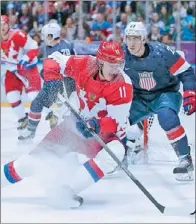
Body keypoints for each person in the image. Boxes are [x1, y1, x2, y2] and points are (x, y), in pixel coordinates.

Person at [1, 41, 133, 208]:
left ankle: (67, 190)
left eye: (119, 64)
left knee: (116, 152)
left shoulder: (123, 85)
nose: (117, 70)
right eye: (112, 65)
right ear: (100, 62)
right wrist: (52, 79)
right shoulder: (84, 63)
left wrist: (96, 125)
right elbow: (53, 59)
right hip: (73, 127)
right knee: (32, 161)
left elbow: (115, 121)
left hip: (106, 137)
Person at [123, 22, 195, 181]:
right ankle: (120, 153)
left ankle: (185, 160)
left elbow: (187, 72)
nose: (132, 43)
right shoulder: (121, 55)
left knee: (167, 117)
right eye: (128, 38)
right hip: (138, 96)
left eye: (136, 38)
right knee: (118, 120)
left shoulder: (163, 52)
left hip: (165, 93)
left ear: (144, 39)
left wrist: (190, 93)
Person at [18, 22, 76, 140]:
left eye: (45, 36)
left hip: (59, 84)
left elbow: (67, 69)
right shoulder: (51, 46)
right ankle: (37, 128)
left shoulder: (63, 48)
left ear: (51, 36)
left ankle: (53, 132)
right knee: (39, 105)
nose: (43, 38)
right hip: (53, 83)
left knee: (47, 108)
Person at [1, 15, 41, 132]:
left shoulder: (17, 35)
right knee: (11, 96)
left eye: (4, 24)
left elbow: (34, 46)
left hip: (28, 69)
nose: (2, 27)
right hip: (12, 71)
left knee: (33, 97)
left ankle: (52, 113)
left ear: (8, 25)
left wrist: (26, 58)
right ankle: (23, 119)